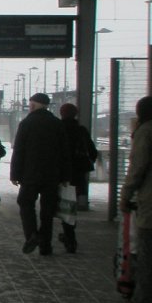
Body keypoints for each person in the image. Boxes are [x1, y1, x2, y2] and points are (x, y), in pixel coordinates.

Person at [10, 93, 71, 255]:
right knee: (47, 211)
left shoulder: (26, 123)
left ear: (35, 105)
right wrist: (65, 175)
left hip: (30, 174)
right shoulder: (57, 124)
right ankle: (46, 246)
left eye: (31, 104)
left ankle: (32, 235)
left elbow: (19, 151)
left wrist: (15, 174)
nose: (29, 107)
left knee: (25, 202)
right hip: (52, 175)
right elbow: (65, 151)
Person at [120, 96, 152, 303]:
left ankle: (144, 299)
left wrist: (126, 194)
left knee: (147, 252)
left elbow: (138, 167)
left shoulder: (146, 131)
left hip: (150, 201)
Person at [56, 103, 98, 252]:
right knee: (70, 206)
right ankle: (69, 235)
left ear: (61, 113)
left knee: (60, 206)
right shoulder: (81, 131)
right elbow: (93, 152)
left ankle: (69, 238)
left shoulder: (57, 129)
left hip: (60, 175)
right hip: (77, 175)